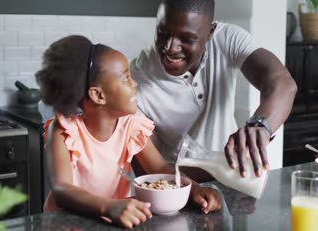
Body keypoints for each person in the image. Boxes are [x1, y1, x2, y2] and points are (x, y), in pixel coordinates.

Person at [35, 35, 221, 229]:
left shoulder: (130, 126)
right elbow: (62, 189)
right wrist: (107, 207)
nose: (135, 84)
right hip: (66, 224)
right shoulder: (64, 130)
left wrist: (195, 190)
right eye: (126, 78)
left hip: (109, 221)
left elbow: (159, 169)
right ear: (98, 95)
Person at [130, 0, 297, 179]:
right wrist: (215, 172)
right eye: (162, 33)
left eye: (186, 39)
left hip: (236, 177)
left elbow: (283, 83)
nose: (170, 48)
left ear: (210, 33)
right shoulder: (135, 81)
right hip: (180, 189)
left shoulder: (226, 39)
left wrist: (260, 126)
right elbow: (150, 170)